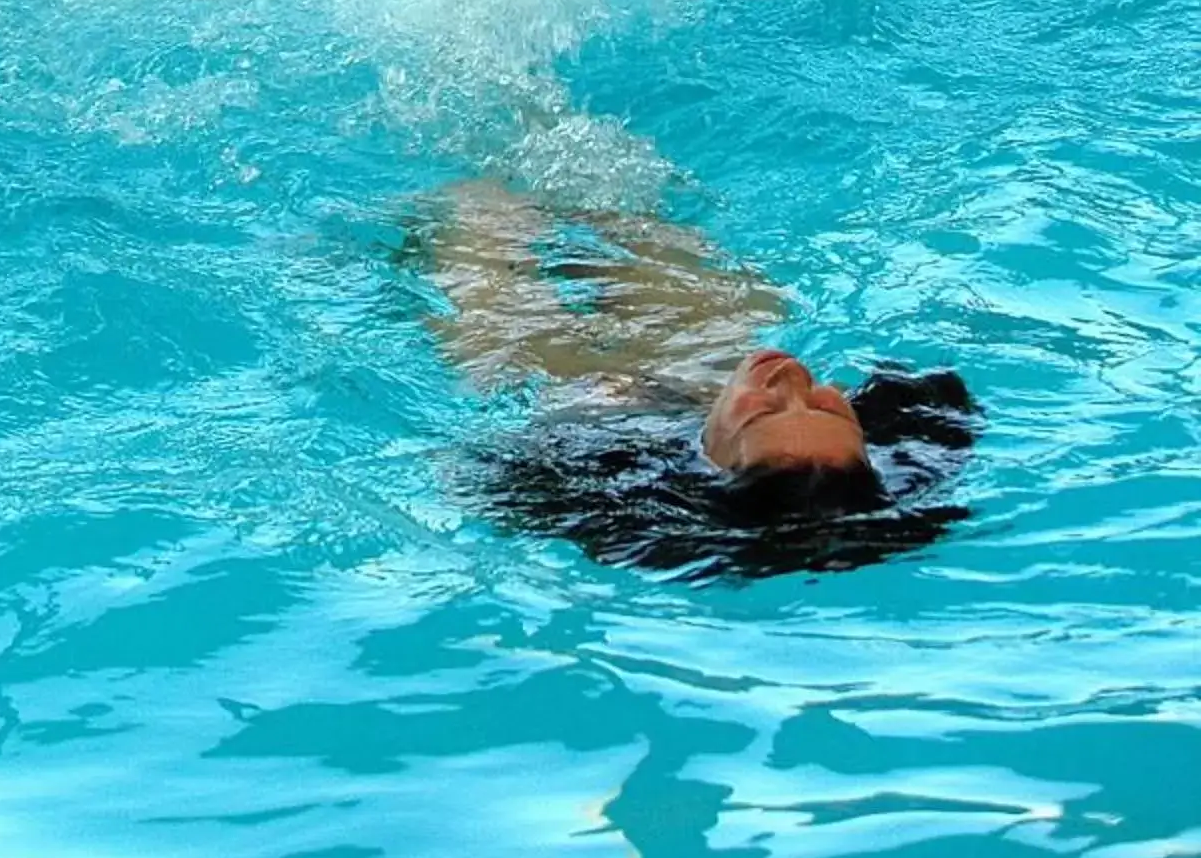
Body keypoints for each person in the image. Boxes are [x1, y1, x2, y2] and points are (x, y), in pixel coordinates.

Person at [418, 176, 979, 578]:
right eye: (828, 407)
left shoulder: (609, 490)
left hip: (588, 410)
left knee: (478, 213)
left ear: (710, 465)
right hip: (700, 380)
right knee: (616, 195)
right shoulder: (908, 455)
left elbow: (477, 482)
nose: (790, 380)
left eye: (763, 412)